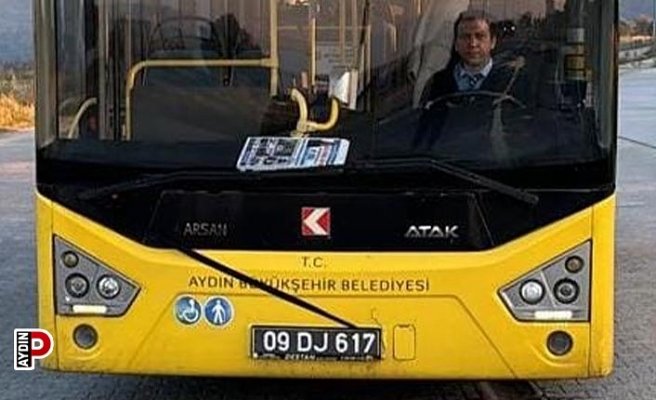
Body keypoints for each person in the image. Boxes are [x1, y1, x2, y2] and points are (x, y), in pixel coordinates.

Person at [415, 10, 527, 151]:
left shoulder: (514, 82)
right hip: (442, 159)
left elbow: (522, 136)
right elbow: (422, 133)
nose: (473, 44)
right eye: (465, 37)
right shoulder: (437, 83)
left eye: (480, 36)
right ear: (455, 44)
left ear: (492, 42)